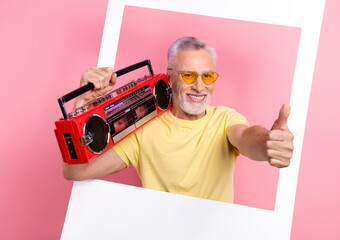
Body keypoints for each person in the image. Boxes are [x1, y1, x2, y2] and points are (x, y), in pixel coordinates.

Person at [63, 37, 294, 203]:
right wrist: (82, 104)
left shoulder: (225, 119)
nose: (199, 86)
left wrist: (267, 144)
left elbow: (246, 137)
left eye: (208, 76)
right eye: (189, 75)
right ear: (170, 76)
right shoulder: (145, 128)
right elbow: (75, 172)